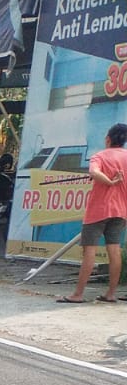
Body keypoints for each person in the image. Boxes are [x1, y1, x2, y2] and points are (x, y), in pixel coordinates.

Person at [58, 122, 127, 304]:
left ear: (108, 139)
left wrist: (110, 183)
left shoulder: (100, 156)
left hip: (98, 210)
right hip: (120, 211)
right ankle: (111, 293)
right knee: (114, 250)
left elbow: (94, 173)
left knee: (89, 251)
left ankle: (78, 294)